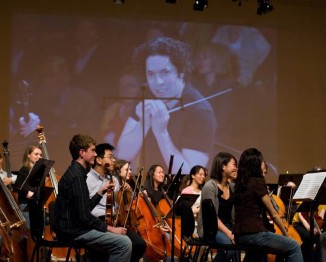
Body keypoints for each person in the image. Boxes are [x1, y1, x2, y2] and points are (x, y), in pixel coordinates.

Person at [117, 37, 217, 175]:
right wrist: (143, 123)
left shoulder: (200, 113)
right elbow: (122, 155)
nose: (157, 82)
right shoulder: (146, 93)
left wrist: (162, 134)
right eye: (150, 74)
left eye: (165, 72)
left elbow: (189, 176)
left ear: (181, 73)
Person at [52, 134, 132, 262]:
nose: (95, 154)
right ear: (82, 152)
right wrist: (111, 229)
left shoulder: (76, 172)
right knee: (124, 243)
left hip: (74, 228)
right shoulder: (77, 176)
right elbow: (84, 216)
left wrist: (100, 192)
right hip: (73, 231)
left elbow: (84, 208)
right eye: (93, 151)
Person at [233, 148, 303, 261]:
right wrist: (286, 234)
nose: (263, 163)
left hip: (240, 236)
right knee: (294, 246)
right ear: (255, 164)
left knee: (258, 256)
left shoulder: (239, 184)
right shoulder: (257, 182)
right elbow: (274, 214)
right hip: (255, 235)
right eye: (261, 161)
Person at [87, 143, 146, 262]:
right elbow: (85, 208)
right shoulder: (87, 179)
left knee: (140, 244)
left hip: (114, 221)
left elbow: (119, 203)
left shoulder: (113, 179)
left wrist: (127, 192)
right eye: (110, 157)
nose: (113, 160)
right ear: (99, 160)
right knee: (121, 245)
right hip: (96, 223)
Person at [197, 152, 237, 262]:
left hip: (229, 226)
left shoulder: (232, 187)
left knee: (248, 243)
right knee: (229, 249)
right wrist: (229, 233)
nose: (236, 168)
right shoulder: (210, 186)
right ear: (223, 166)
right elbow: (212, 217)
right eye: (234, 164)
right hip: (211, 229)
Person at [181, 165, 207, 236]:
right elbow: (182, 212)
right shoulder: (186, 191)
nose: (203, 177)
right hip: (191, 226)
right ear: (193, 175)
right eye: (200, 174)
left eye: (204, 175)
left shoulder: (203, 191)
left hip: (202, 225)